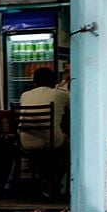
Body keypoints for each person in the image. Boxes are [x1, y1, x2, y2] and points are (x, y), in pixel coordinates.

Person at [19, 66, 70, 198]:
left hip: (26, 142)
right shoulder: (62, 95)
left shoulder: (24, 95)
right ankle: (56, 183)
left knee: (44, 153)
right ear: (54, 81)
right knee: (72, 148)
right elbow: (73, 108)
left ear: (34, 82)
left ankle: (45, 181)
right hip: (52, 142)